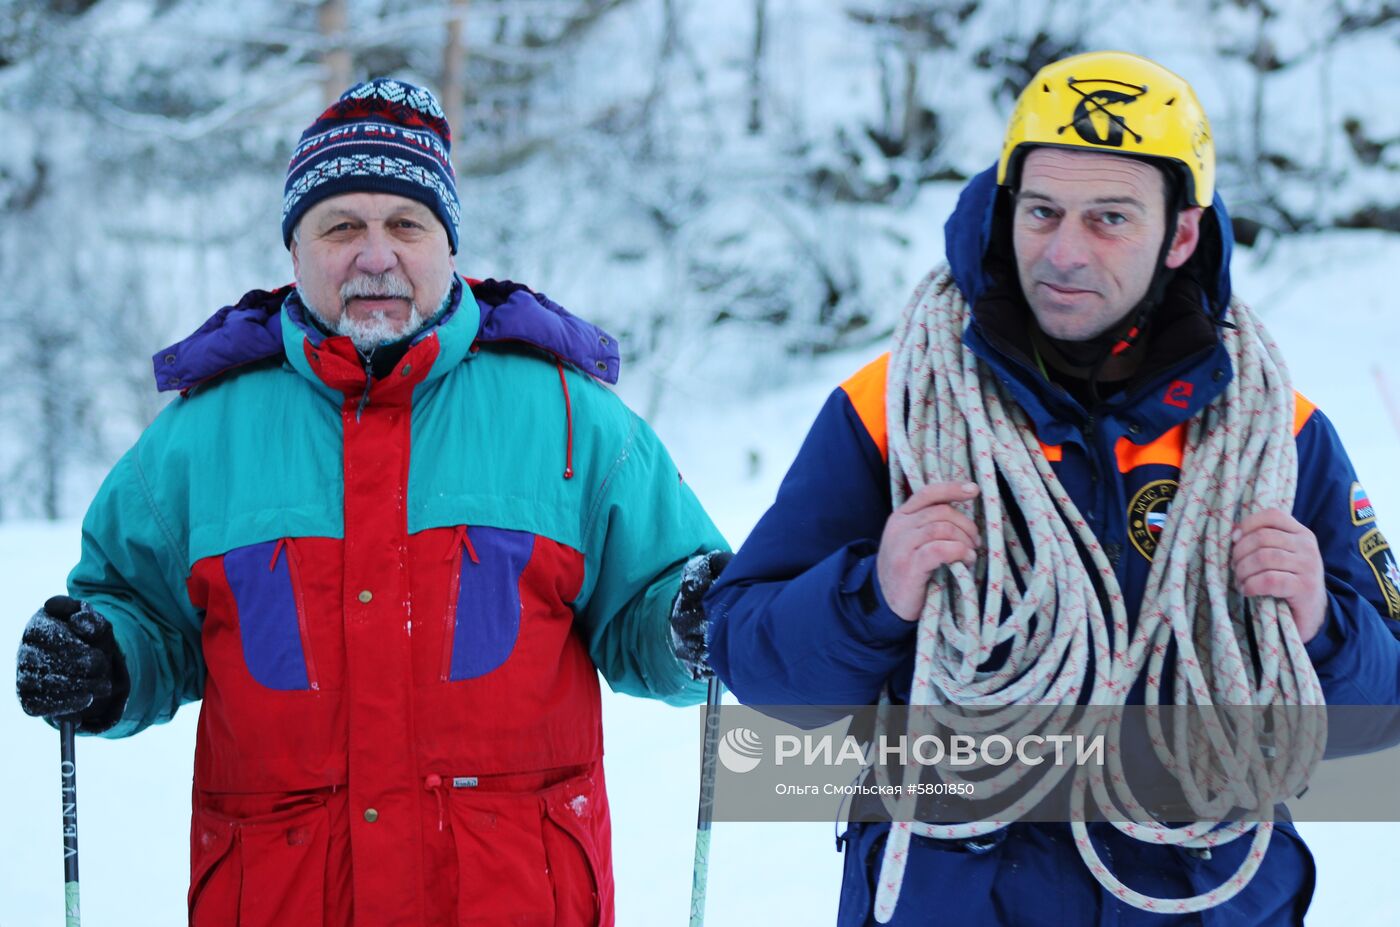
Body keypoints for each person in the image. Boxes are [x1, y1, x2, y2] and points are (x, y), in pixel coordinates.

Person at [704, 51, 1400, 925]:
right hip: (958, 894)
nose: (1065, 253)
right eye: (1042, 212)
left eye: (1110, 218)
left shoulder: (1273, 431)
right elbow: (752, 657)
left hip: (1200, 894)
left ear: (1180, 235)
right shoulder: (899, 408)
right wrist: (871, 595)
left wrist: (1322, 628)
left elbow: (1385, 712)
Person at [14, 78, 728, 927]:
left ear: (448, 245)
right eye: (341, 225)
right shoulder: (199, 439)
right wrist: (104, 664)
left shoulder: (571, 420)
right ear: (296, 250)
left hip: (515, 899)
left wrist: (692, 621)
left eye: (405, 224)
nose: (375, 254)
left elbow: (656, 603)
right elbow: (136, 614)